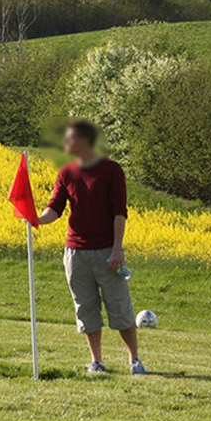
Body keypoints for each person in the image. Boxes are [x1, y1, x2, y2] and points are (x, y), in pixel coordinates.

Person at [37, 119, 146, 375]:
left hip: (107, 251)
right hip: (75, 253)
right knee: (86, 308)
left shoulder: (111, 170)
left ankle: (134, 360)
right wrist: (37, 219)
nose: (65, 143)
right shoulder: (66, 172)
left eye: (70, 138)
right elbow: (55, 208)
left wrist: (117, 249)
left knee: (119, 308)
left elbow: (119, 212)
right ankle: (96, 361)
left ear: (84, 141)